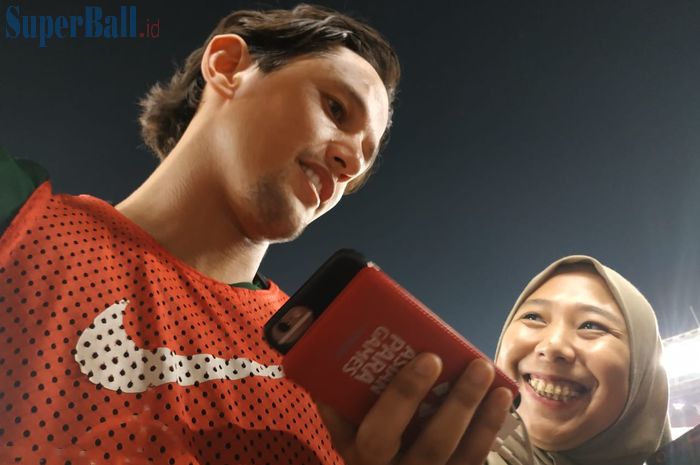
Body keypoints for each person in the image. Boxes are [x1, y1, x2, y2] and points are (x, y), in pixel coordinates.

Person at [0, 4, 513, 464]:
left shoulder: (338, 389)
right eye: (336, 108)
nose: (350, 162)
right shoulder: (21, 216)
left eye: (364, 160)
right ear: (227, 67)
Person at [488, 256, 671, 465]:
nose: (552, 346)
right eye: (534, 317)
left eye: (591, 326)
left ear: (644, 376)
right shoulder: (456, 452)